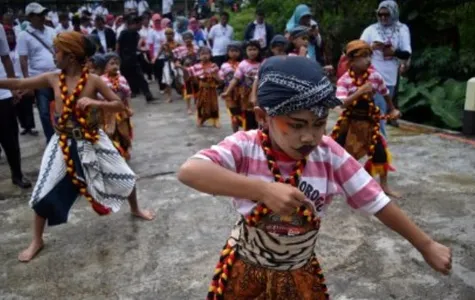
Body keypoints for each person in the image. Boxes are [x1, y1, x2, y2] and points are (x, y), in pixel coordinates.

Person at [177, 56, 452, 299]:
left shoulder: (328, 154)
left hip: (299, 270)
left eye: (319, 124)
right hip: (246, 267)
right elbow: (190, 171)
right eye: (296, 126)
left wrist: (425, 244)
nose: (309, 136)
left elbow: (376, 201)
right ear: (263, 117)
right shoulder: (245, 146)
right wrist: (262, 190)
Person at [0, 31, 155, 262]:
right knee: (43, 189)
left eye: (57, 51)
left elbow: (118, 105)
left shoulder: (93, 80)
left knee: (124, 173)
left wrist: (94, 102)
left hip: (92, 138)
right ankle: (37, 240)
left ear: (71, 57)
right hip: (61, 141)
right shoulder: (53, 78)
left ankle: (135, 208)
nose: (54, 55)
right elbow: (20, 82)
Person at [331, 40, 401, 197]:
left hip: (369, 121)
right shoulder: (344, 80)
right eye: (364, 57)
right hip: (349, 121)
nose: (368, 60)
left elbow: (385, 93)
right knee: (337, 151)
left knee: (380, 153)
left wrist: (392, 109)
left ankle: (383, 186)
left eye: (370, 56)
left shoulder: (375, 76)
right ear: (352, 61)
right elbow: (341, 104)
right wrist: (360, 91)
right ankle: (335, 183)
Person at [360, 0, 411, 135]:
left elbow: (407, 53)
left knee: (379, 109)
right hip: (371, 75)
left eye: (386, 15)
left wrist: (393, 52)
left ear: (393, 13)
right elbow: (357, 50)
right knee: (379, 108)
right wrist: (371, 48)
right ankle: (380, 140)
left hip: (390, 78)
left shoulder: (402, 29)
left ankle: (375, 139)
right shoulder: (371, 30)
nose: (383, 17)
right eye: (380, 14)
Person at [17, 2, 57, 144]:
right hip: (39, 79)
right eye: (38, 15)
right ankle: (51, 141)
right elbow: (23, 60)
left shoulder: (52, 31)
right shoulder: (24, 35)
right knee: (45, 113)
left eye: (42, 14)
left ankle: (64, 137)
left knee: (61, 108)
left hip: (57, 75)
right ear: (30, 17)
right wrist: (28, 83)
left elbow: (59, 50)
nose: (42, 17)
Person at [0, 24, 32, 189]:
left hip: (2, 92)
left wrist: (13, 87)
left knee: (10, 137)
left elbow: (5, 57)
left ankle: (17, 174)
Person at [221, 40, 261, 131]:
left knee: (260, 115)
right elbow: (235, 79)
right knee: (248, 116)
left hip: (260, 93)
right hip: (246, 95)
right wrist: (227, 92)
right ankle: (248, 136)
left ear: (259, 50)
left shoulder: (263, 63)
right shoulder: (243, 64)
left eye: (254, 49)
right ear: (245, 51)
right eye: (249, 49)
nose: (252, 52)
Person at [5, 25, 38, 136]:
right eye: (7, 35)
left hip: (22, 79)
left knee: (27, 104)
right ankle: (24, 126)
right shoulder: (4, 52)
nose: (9, 37)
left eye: (11, 34)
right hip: (11, 81)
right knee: (17, 105)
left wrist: (27, 78)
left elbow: (25, 62)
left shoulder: (20, 47)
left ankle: (30, 126)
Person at [100, 52, 134, 160]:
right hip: (108, 112)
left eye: (117, 64)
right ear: (104, 67)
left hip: (121, 110)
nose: (115, 66)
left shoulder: (122, 78)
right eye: (111, 64)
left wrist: (128, 108)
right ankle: (115, 154)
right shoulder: (101, 80)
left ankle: (125, 150)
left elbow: (128, 93)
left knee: (124, 132)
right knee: (110, 132)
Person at [117, 15, 155, 102]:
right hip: (124, 59)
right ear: (134, 24)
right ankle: (129, 94)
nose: (141, 27)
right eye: (140, 25)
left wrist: (143, 51)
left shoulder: (136, 34)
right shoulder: (124, 33)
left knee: (141, 77)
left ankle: (147, 94)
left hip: (133, 58)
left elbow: (135, 47)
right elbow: (118, 45)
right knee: (127, 78)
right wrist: (117, 57)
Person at [185, 47, 221, 128]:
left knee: (213, 105)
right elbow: (190, 75)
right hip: (201, 89)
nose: (205, 56)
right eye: (202, 54)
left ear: (210, 55)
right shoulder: (196, 66)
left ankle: (216, 120)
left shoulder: (214, 65)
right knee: (200, 105)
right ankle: (201, 119)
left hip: (212, 89)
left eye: (207, 54)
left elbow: (218, 77)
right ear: (199, 56)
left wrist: (214, 76)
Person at [173, 31, 199, 114]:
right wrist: (178, 64)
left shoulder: (197, 48)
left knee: (197, 88)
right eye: (186, 38)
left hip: (196, 70)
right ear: (183, 40)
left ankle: (197, 105)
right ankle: (188, 107)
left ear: (192, 39)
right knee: (188, 89)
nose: (188, 40)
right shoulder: (179, 49)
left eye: (189, 38)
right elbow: (177, 61)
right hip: (186, 71)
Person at [219, 41, 242, 132]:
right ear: (228, 52)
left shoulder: (243, 64)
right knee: (233, 113)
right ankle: (235, 132)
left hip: (242, 91)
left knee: (243, 112)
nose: (234, 53)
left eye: (236, 51)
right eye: (232, 51)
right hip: (229, 92)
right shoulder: (224, 65)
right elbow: (221, 79)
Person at [157, 28, 180, 102]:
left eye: (170, 34)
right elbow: (159, 53)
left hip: (176, 62)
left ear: (173, 35)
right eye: (167, 34)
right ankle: (169, 97)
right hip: (167, 63)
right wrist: (154, 59)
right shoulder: (164, 44)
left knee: (178, 77)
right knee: (167, 80)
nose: (169, 36)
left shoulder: (177, 44)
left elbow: (181, 53)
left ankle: (180, 90)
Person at [148, 14, 167, 92]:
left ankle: (167, 86)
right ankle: (161, 87)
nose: (157, 22)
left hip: (165, 53)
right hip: (156, 55)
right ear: (153, 21)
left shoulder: (165, 30)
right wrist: (152, 56)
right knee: (159, 72)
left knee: (165, 71)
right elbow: (151, 45)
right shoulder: (151, 32)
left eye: (159, 21)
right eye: (156, 21)